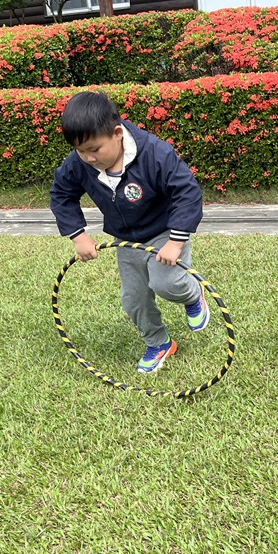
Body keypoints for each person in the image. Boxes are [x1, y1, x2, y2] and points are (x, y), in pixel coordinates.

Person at [50, 91, 210, 373]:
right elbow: (61, 194)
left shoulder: (155, 154)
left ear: (117, 134)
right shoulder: (80, 163)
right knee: (133, 299)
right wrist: (78, 235)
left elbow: (187, 192)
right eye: (80, 151)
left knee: (167, 284)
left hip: (165, 231)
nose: (88, 158)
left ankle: (193, 295)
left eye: (94, 149)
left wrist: (176, 241)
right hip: (125, 239)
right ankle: (159, 343)